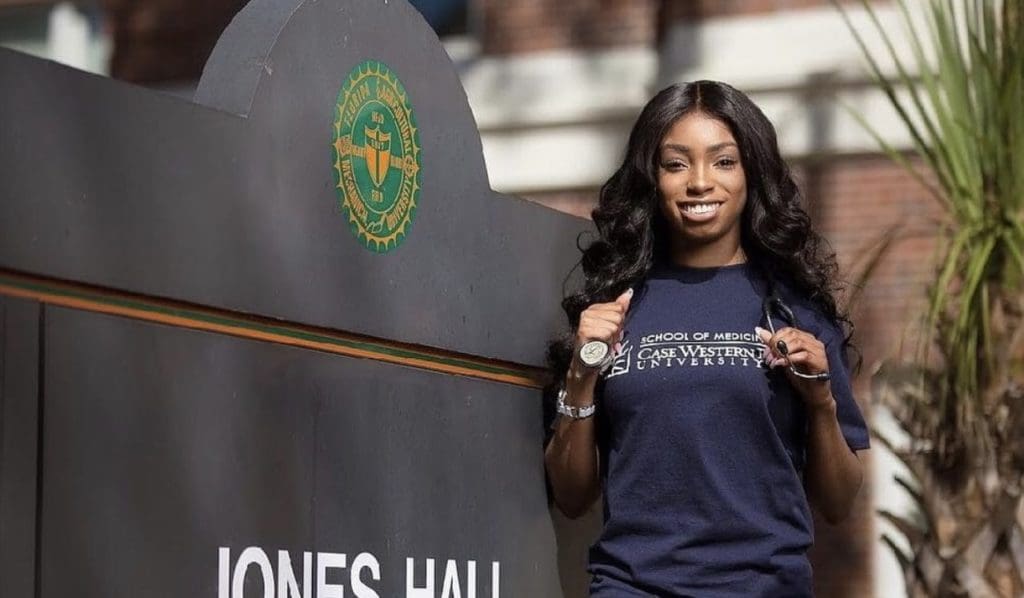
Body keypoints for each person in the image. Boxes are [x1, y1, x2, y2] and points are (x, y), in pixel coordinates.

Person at [543, 80, 870, 597]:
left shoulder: (796, 312)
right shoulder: (612, 307)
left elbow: (837, 503)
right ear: (652, 178)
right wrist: (583, 374)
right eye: (676, 164)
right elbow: (572, 495)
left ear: (750, 175)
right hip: (633, 586)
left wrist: (822, 403)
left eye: (723, 162)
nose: (699, 182)